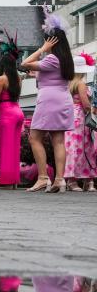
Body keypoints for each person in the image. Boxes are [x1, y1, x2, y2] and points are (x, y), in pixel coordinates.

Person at [22, 13, 75, 193]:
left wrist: (41, 49)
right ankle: (59, 180)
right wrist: (38, 74)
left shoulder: (51, 58)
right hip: (62, 98)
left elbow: (24, 63)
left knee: (35, 137)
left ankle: (43, 177)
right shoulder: (65, 59)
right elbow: (53, 76)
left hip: (49, 100)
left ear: (51, 42)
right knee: (58, 141)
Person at [0, 38, 23, 189]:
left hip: (7, 113)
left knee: (6, 148)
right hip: (18, 111)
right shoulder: (18, 78)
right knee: (15, 148)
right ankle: (14, 180)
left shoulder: (2, 79)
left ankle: (6, 181)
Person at [63, 56, 96, 191]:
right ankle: (84, 180)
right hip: (80, 117)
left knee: (72, 148)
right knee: (85, 148)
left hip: (69, 115)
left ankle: (72, 178)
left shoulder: (68, 83)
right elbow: (85, 103)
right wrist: (91, 110)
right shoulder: (81, 84)